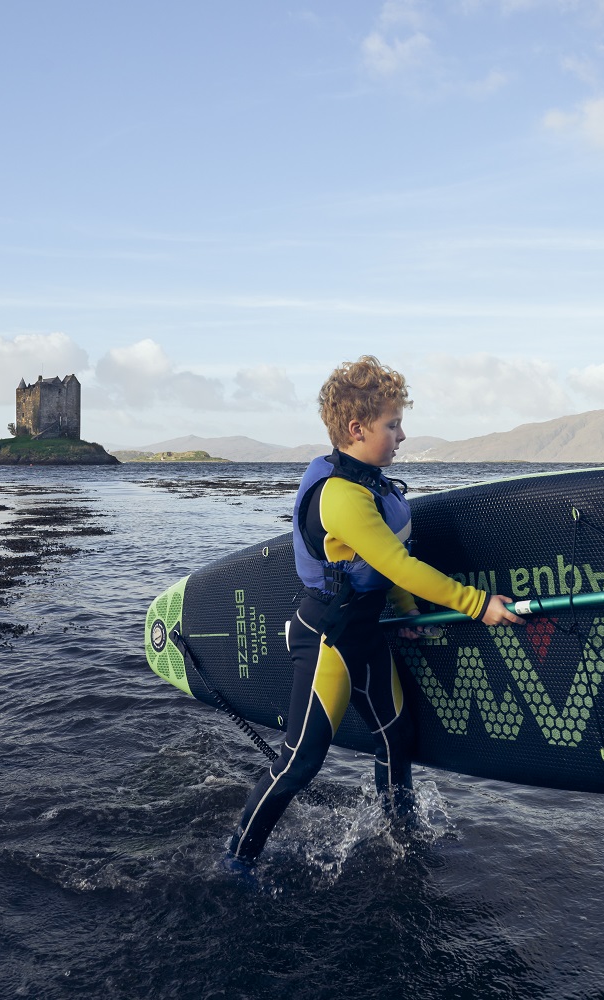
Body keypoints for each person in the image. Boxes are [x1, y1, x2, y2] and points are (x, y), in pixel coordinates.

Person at [225, 356, 523, 865]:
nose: (403, 435)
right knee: (299, 763)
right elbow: (398, 565)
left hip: (368, 634)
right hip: (329, 639)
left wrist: (404, 614)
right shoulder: (341, 496)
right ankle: (237, 857)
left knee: (395, 737)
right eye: (393, 424)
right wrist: (477, 605)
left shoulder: (373, 484)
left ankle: (397, 834)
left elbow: (390, 564)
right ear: (358, 429)